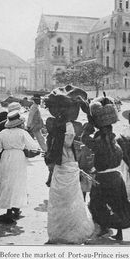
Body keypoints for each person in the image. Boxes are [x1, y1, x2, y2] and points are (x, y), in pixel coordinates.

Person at [81, 97, 130, 241]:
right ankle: (119, 233)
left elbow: (85, 139)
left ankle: (103, 228)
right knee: (119, 205)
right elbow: (126, 158)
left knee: (96, 204)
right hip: (117, 177)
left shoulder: (100, 142)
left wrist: (87, 129)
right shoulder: (117, 140)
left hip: (103, 178)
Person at [44, 88, 95, 244]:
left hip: (62, 167)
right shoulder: (72, 127)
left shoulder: (54, 126)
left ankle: (59, 232)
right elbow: (69, 143)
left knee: (59, 201)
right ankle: (71, 230)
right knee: (72, 200)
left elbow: (55, 148)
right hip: (70, 165)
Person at [0, 110, 39, 223]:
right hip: (18, 157)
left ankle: (8, 209)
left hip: (5, 156)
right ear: (19, 123)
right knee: (17, 182)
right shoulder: (22, 133)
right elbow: (33, 146)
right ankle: (16, 209)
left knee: (6, 181)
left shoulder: (1, 133)